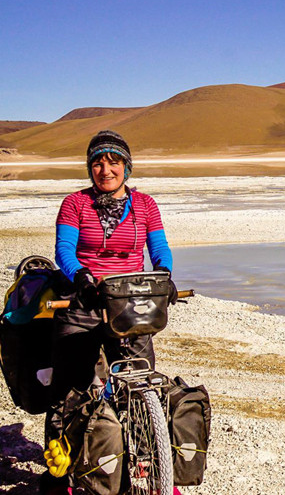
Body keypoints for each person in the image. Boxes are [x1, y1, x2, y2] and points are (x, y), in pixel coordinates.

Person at [40, 130, 177, 494]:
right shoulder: (75, 204)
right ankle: (61, 473)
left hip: (130, 303)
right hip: (82, 302)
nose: (105, 169)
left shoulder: (145, 205)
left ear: (127, 167)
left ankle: (151, 468)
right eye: (97, 162)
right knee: (69, 392)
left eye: (113, 161)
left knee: (141, 386)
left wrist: (164, 274)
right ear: (90, 168)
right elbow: (65, 250)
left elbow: (159, 246)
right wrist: (82, 277)